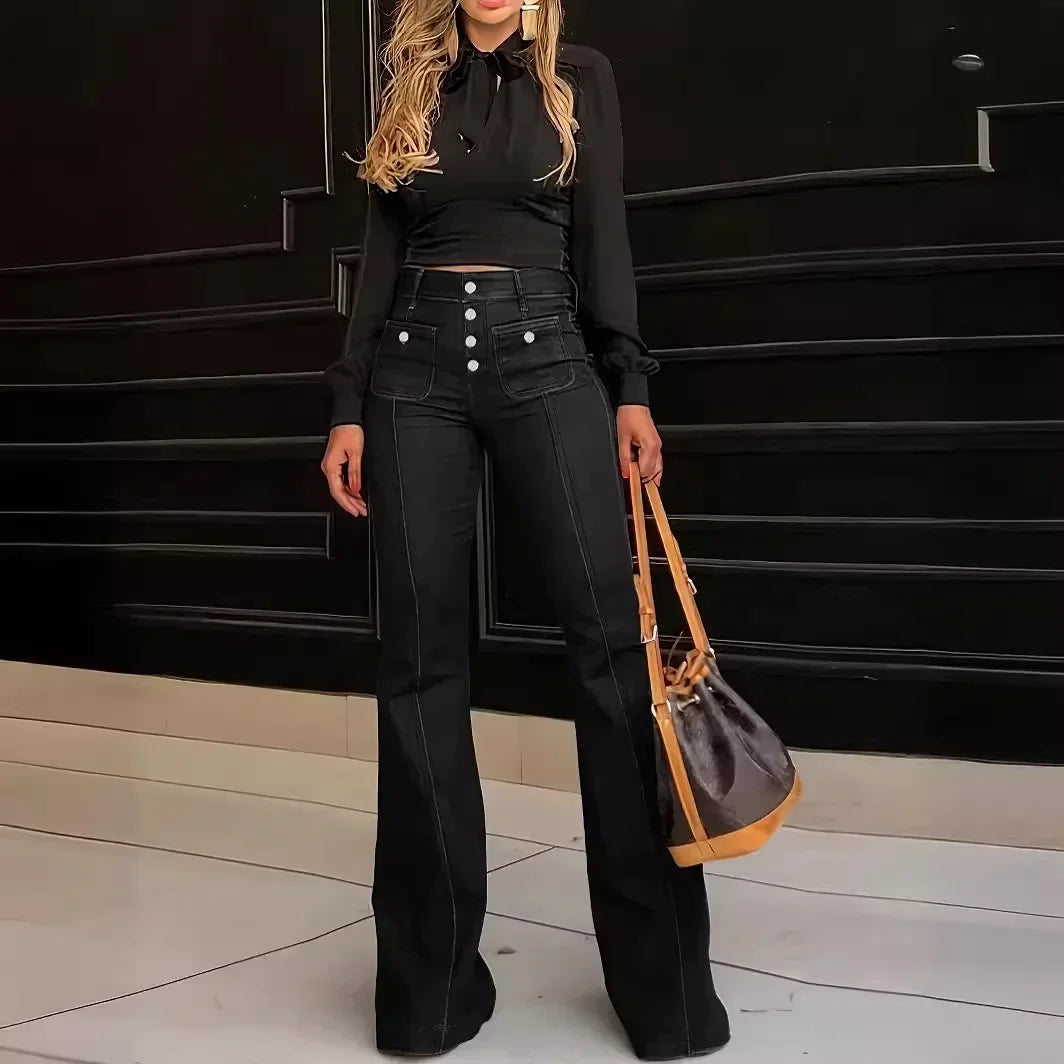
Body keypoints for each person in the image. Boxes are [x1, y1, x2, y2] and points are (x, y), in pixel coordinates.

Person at [320, 0, 729, 1058]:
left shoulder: (578, 75)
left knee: (611, 655)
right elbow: (378, 252)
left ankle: (667, 1001)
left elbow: (604, 235)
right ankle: (429, 998)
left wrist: (629, 385)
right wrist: (348, 402)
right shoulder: (412, 79)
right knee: (418, 665)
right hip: (412, 371)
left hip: (548, 357)